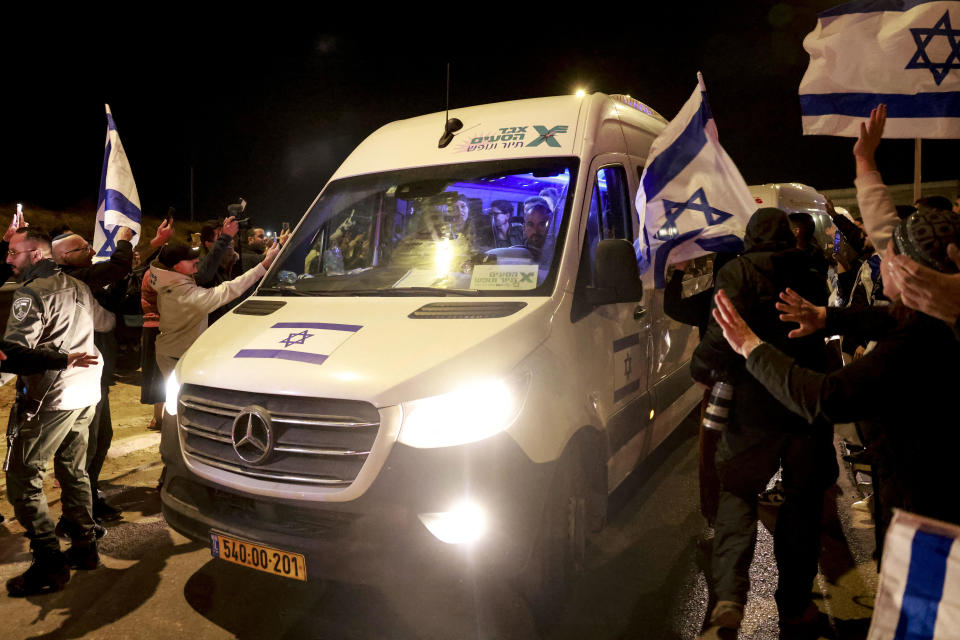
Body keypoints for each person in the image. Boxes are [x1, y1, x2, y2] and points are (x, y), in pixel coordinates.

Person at [710, 207, 960, 558]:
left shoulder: (914, 343)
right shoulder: (935, 319)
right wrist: (826, 316)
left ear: (908, 272)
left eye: (890, 252)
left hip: (929, 528)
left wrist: (750, 346)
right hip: (929, 507)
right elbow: (886, 316)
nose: (879, 256)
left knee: (920, 612)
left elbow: (824, 397)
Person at [691, 208, 835, 637]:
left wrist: (700, 367)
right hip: (805, 407)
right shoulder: (812, 269)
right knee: (803, 503)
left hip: (752, 411)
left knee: (737, 492)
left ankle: (730, 601)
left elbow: (721, 334)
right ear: (789, 236)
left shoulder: (739, 271)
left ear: (750, 237)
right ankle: (795, 606)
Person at [4, 227, 116, 596]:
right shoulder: (77, 285)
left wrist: (61, 356)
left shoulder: (31, 293)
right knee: (73, 469)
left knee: (23, 478)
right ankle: (85, 548)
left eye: (14, 253)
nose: (8, 259)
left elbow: (17, 353)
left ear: (36, 255)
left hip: (51, 398)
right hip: (85, 394)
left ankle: (49, 563)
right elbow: (104, 323)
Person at [150, 239, 280, 381]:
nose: (196, 260)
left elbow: (160, 262)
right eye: (190, 259)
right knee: (177, 399)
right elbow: (229, 290)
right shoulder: (187, 296)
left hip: (169, 350)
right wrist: (264, 266)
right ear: (176, 267)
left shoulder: (165, 281)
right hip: (177, 357)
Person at [515, 196, 551, 261]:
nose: (535, 230)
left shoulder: (556, 249)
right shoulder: (517, 241)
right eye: (526, 212)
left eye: (542, 224)